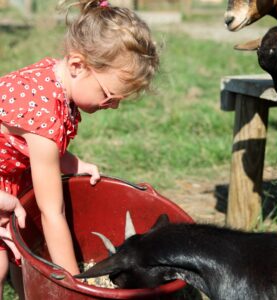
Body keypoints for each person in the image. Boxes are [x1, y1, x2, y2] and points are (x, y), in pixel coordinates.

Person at [0, 0, 159, 297]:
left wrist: (74, 164)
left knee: (25, 257)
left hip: (10, 175)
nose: (113, 105)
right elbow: (52, 211)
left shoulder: (55, 81)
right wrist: (76, 284)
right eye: (109, 95)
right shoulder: (44, 113)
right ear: (77, 65)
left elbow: (29, 148)